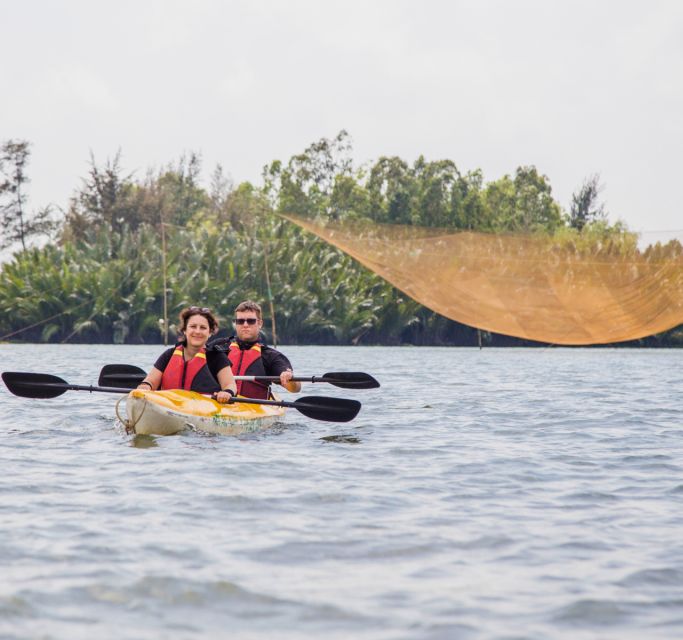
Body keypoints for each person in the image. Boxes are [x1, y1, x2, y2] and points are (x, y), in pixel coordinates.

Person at [137, 306, 237, 403]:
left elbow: (230, 385)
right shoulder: (169, 355)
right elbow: (151, 380)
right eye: (193, 326)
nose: (197, 331)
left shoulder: (217, 357)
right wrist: (146, 385)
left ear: (210, 332)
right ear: (185, 330)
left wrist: (226, 392)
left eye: (203, 328)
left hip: (204, 410)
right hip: (169, 405)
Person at [208, 300, 301, 399]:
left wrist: (289, 378)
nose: (245, 325)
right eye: (240, 321)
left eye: (250, 321)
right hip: (218, 401)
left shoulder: (271, 356)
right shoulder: (219, 347)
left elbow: (295, 388)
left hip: (252, 408)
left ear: (260, 323)